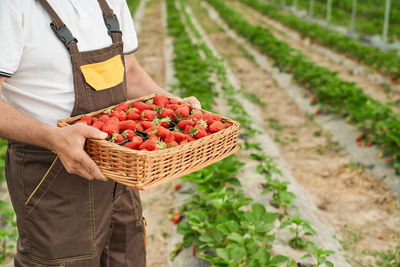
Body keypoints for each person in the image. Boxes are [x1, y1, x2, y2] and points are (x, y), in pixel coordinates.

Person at [0, 0, 200, 266]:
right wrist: (54, 138)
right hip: (53, 173)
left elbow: (130, 72)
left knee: (125, 256)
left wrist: (175, 104)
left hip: (119, 165)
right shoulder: (12, 7)